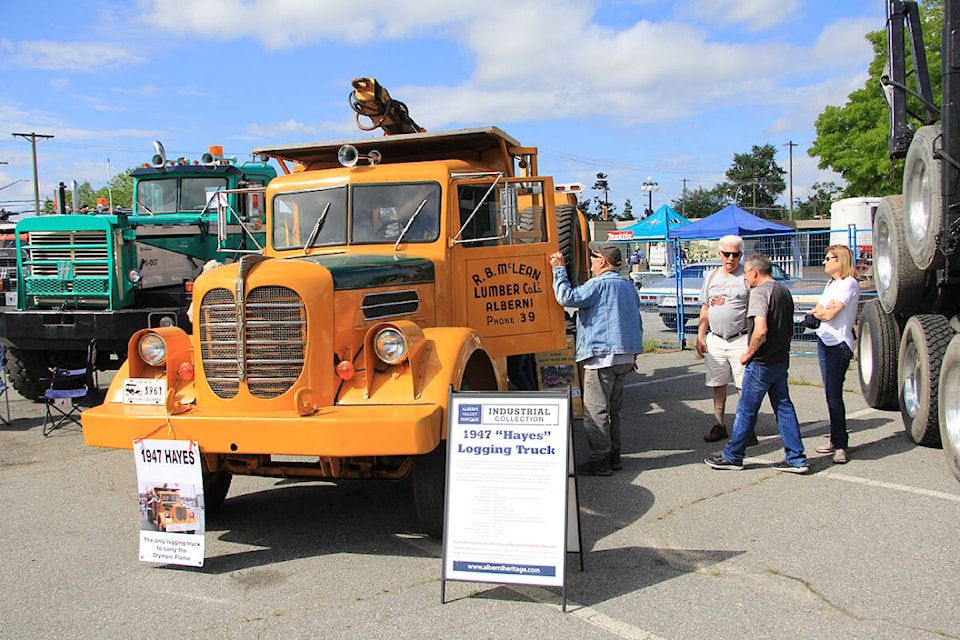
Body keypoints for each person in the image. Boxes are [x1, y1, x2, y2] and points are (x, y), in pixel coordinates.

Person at [705, 254, 808, 474]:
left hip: (761, 362)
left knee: (746, 409)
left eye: (746, 273)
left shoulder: (759, 293)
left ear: (754, 272)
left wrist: (748, 353)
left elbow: (760, 329)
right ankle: (796, 457)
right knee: (784, 407)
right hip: (780, 360)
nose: (744, 277)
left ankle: (733, 456)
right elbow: (790, 331)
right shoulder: (783, 291)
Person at [551, 243, 644, 476]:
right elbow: (637, 321)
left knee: (595, 411)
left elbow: (566, 297)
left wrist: (558, 270)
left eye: (592, 257)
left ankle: (599, 460)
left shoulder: (598, 284)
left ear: (602, 261)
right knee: (614, 410)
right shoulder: (628, 287)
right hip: (625, 356)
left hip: (602, 356)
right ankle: (615, 455)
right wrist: (633, 354)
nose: (590, 262)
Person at [695, 235, 757, 446]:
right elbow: (705, 308)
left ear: (741, 255)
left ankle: (746, 429)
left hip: (740, 338)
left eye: (735, 254)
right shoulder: (712, 277)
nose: (730, 259)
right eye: (726, 254)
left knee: (743, 386)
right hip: (716, 339)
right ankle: (719, 424)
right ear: (719, 254)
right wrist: (700, 335)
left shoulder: (747, 277)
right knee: (717, 384)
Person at [810, 245, 860, 464]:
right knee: (830, 394)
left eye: (829, 258)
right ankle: (834, 438)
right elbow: (818, 309)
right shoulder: (832, 284)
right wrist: (819, 313)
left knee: (834, 394)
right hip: (824, 340)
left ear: (840, 260)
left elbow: (830, 313)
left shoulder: (849, 283)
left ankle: (840, 444)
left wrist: (821, 313)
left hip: (838, 344)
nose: (824, 262)